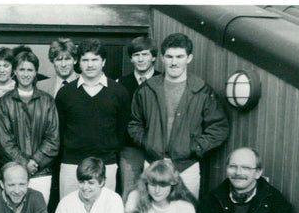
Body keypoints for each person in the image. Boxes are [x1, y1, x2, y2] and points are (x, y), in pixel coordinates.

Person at [128, 33, 229, 199]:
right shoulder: (147, 89)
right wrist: (148, 143)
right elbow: (134, 123)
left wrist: (194, 147)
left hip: (186, 167)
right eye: (169, 56)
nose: (174, 62)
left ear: (189, 58)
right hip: (153, 164)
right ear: (161, 57)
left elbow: (219, 127)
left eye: (179, 56)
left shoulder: (202, 91)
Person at [55, 39, 130, 197]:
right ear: (79, 62)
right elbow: (59, 130)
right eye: (85, 60)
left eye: (95, 59)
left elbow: (122, 129)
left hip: (106, 164)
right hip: (71, 163)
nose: (90, 65)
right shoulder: (65, 93)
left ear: (103, 61)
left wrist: (110, 151)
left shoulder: (119, 92)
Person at [0, 49, 60, 204]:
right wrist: (24, 164)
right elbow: (4, 141)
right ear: (15, 72)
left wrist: (35, 162)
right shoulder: (5, 102)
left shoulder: (47, 101)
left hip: (41, 172)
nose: (26, 74)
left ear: (36, 72)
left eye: (30, 70)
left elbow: (53, 138)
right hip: (13, 173)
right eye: (22, 69)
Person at [117, 36, 162, 198]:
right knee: (130, 192)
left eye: (145, 54)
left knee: (157, 191)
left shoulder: (163, 81)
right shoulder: (121, 84)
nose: (141, 59)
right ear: (131, 58)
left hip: (157, 148)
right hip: (130, 150)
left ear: (154, 57)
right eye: (136, 55)